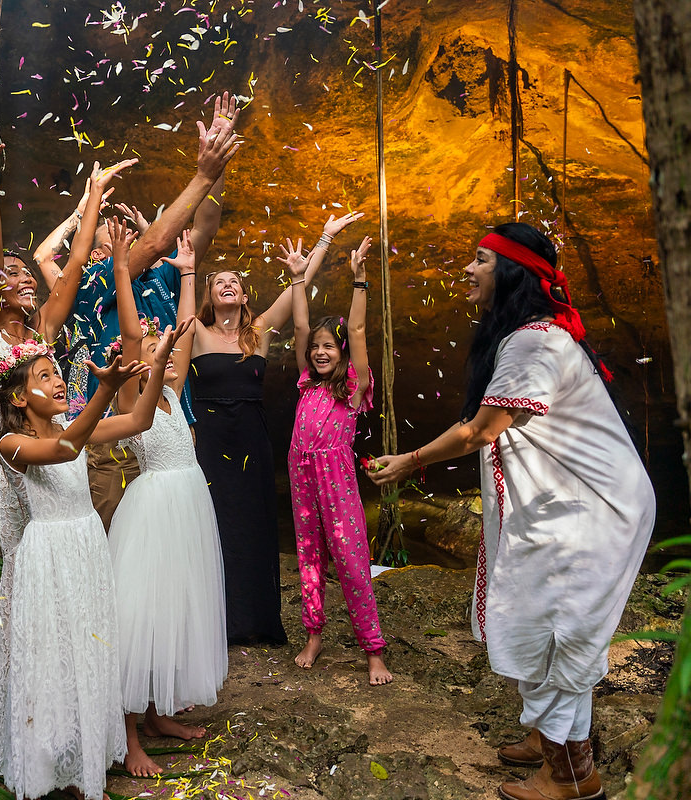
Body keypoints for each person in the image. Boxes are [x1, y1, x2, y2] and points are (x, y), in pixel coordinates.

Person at [367, 222, 654, 800]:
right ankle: (549, 736)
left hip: (588, 512)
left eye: (480, 260)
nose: (467, 271)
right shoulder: (528, 336)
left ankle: (572, 774)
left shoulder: (535, 342)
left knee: (555, 629)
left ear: (512, 272)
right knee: (540, 616)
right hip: (561, 506)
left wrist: (408, 460)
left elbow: (480, 431)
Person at [0, 128, 129, 758]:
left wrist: (90, 202)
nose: (27, 280)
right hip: (18, 476)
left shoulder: (46, 330)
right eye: (16, 276)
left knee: (71, 591)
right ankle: (33, 726)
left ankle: (74, 725)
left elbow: (77, 265)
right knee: (33, 602)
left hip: (62, 462)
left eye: (32, 275)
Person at [0, 328, 177, 800]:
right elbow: (63, 451)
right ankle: (47, 762)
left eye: (57, 374)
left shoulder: (74, 428)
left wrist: (157, 367)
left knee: (87, 649)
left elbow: (138, 421)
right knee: (54, 654)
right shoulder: (11, 443)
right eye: (45, 376)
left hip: (87, 547)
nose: (57, 382)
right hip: (49, 554)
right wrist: (106, 388)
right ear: (19, 395)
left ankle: (80, 760)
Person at [43, 92, 240, 531]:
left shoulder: (162, 279)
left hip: (172, 422)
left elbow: (202, 228)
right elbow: (155, 244)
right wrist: (202, 172)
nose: (122, 241)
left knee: (168, 537)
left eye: (125, 234)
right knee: (114, 538)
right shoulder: (92, 289)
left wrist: (218, 169)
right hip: (114, 430)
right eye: (108, 242)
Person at [188, 210, 364, 645]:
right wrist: (186, 272)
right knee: (211, 526)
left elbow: (297, 291)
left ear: (245, 295)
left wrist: (323, 238)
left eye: (234, 280)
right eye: (218, 282)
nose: (228, 284)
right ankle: (212, 624)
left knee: (252, 527)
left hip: (252, 440)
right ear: (209, 297)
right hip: (209, 443)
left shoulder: (259, 332)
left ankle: (253, 622)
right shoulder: (194, 332)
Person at [103, 220, 226, 778]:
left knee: (173, 609)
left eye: (172, 348)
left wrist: (190, 274)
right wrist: (123, 272)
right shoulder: (135, 398)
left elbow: (183, 323)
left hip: (188, 510)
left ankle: (156, 716)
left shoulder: (175, 395)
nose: (171, 352)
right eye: (160, 350)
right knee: (140, 616)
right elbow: (134, 335)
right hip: (152, 513)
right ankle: (129, 737)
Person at [282, 230, 392, 685]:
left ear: (342, 353)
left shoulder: (352, 389)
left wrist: (360, 281)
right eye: (317, 348)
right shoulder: (307, 381)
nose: (321, 350)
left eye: (330, 346)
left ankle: (373, 649)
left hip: (334, 473)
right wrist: (296, 281)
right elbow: (301, 327)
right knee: (309, 555)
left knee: (348, 557)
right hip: (300, 469)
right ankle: (314, 633)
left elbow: (360, 330)